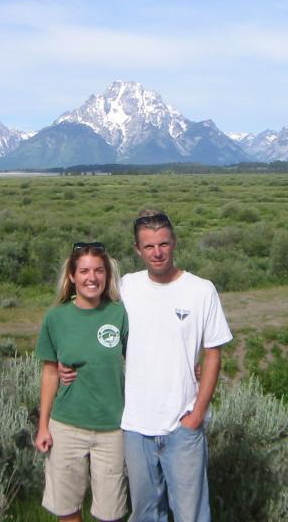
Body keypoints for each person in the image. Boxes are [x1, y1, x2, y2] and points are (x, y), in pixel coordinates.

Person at [61, 210, 233, 522]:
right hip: (136, 425)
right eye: (149, 246)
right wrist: (68, 363)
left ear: (175, 243)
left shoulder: (201, 290)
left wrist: (197, 414)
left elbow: (213, 354)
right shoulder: (127, 287)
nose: (157, 253)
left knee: (190, 514)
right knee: (144, 513)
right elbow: (96, 325)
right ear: (137, 249)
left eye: (163, 244)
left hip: (182, 423)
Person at [34, 241, 129, 522]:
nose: (92, 278)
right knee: (67, 509)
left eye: (99, 271)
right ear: (72, 276)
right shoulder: (56, 317)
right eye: (84, 271)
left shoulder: (120, 313)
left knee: (110, 513)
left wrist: (189, 368)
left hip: (113, 428)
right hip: (66, 426)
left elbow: (143, 358)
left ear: (107, 275)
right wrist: (43, 427)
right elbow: (50, 372)